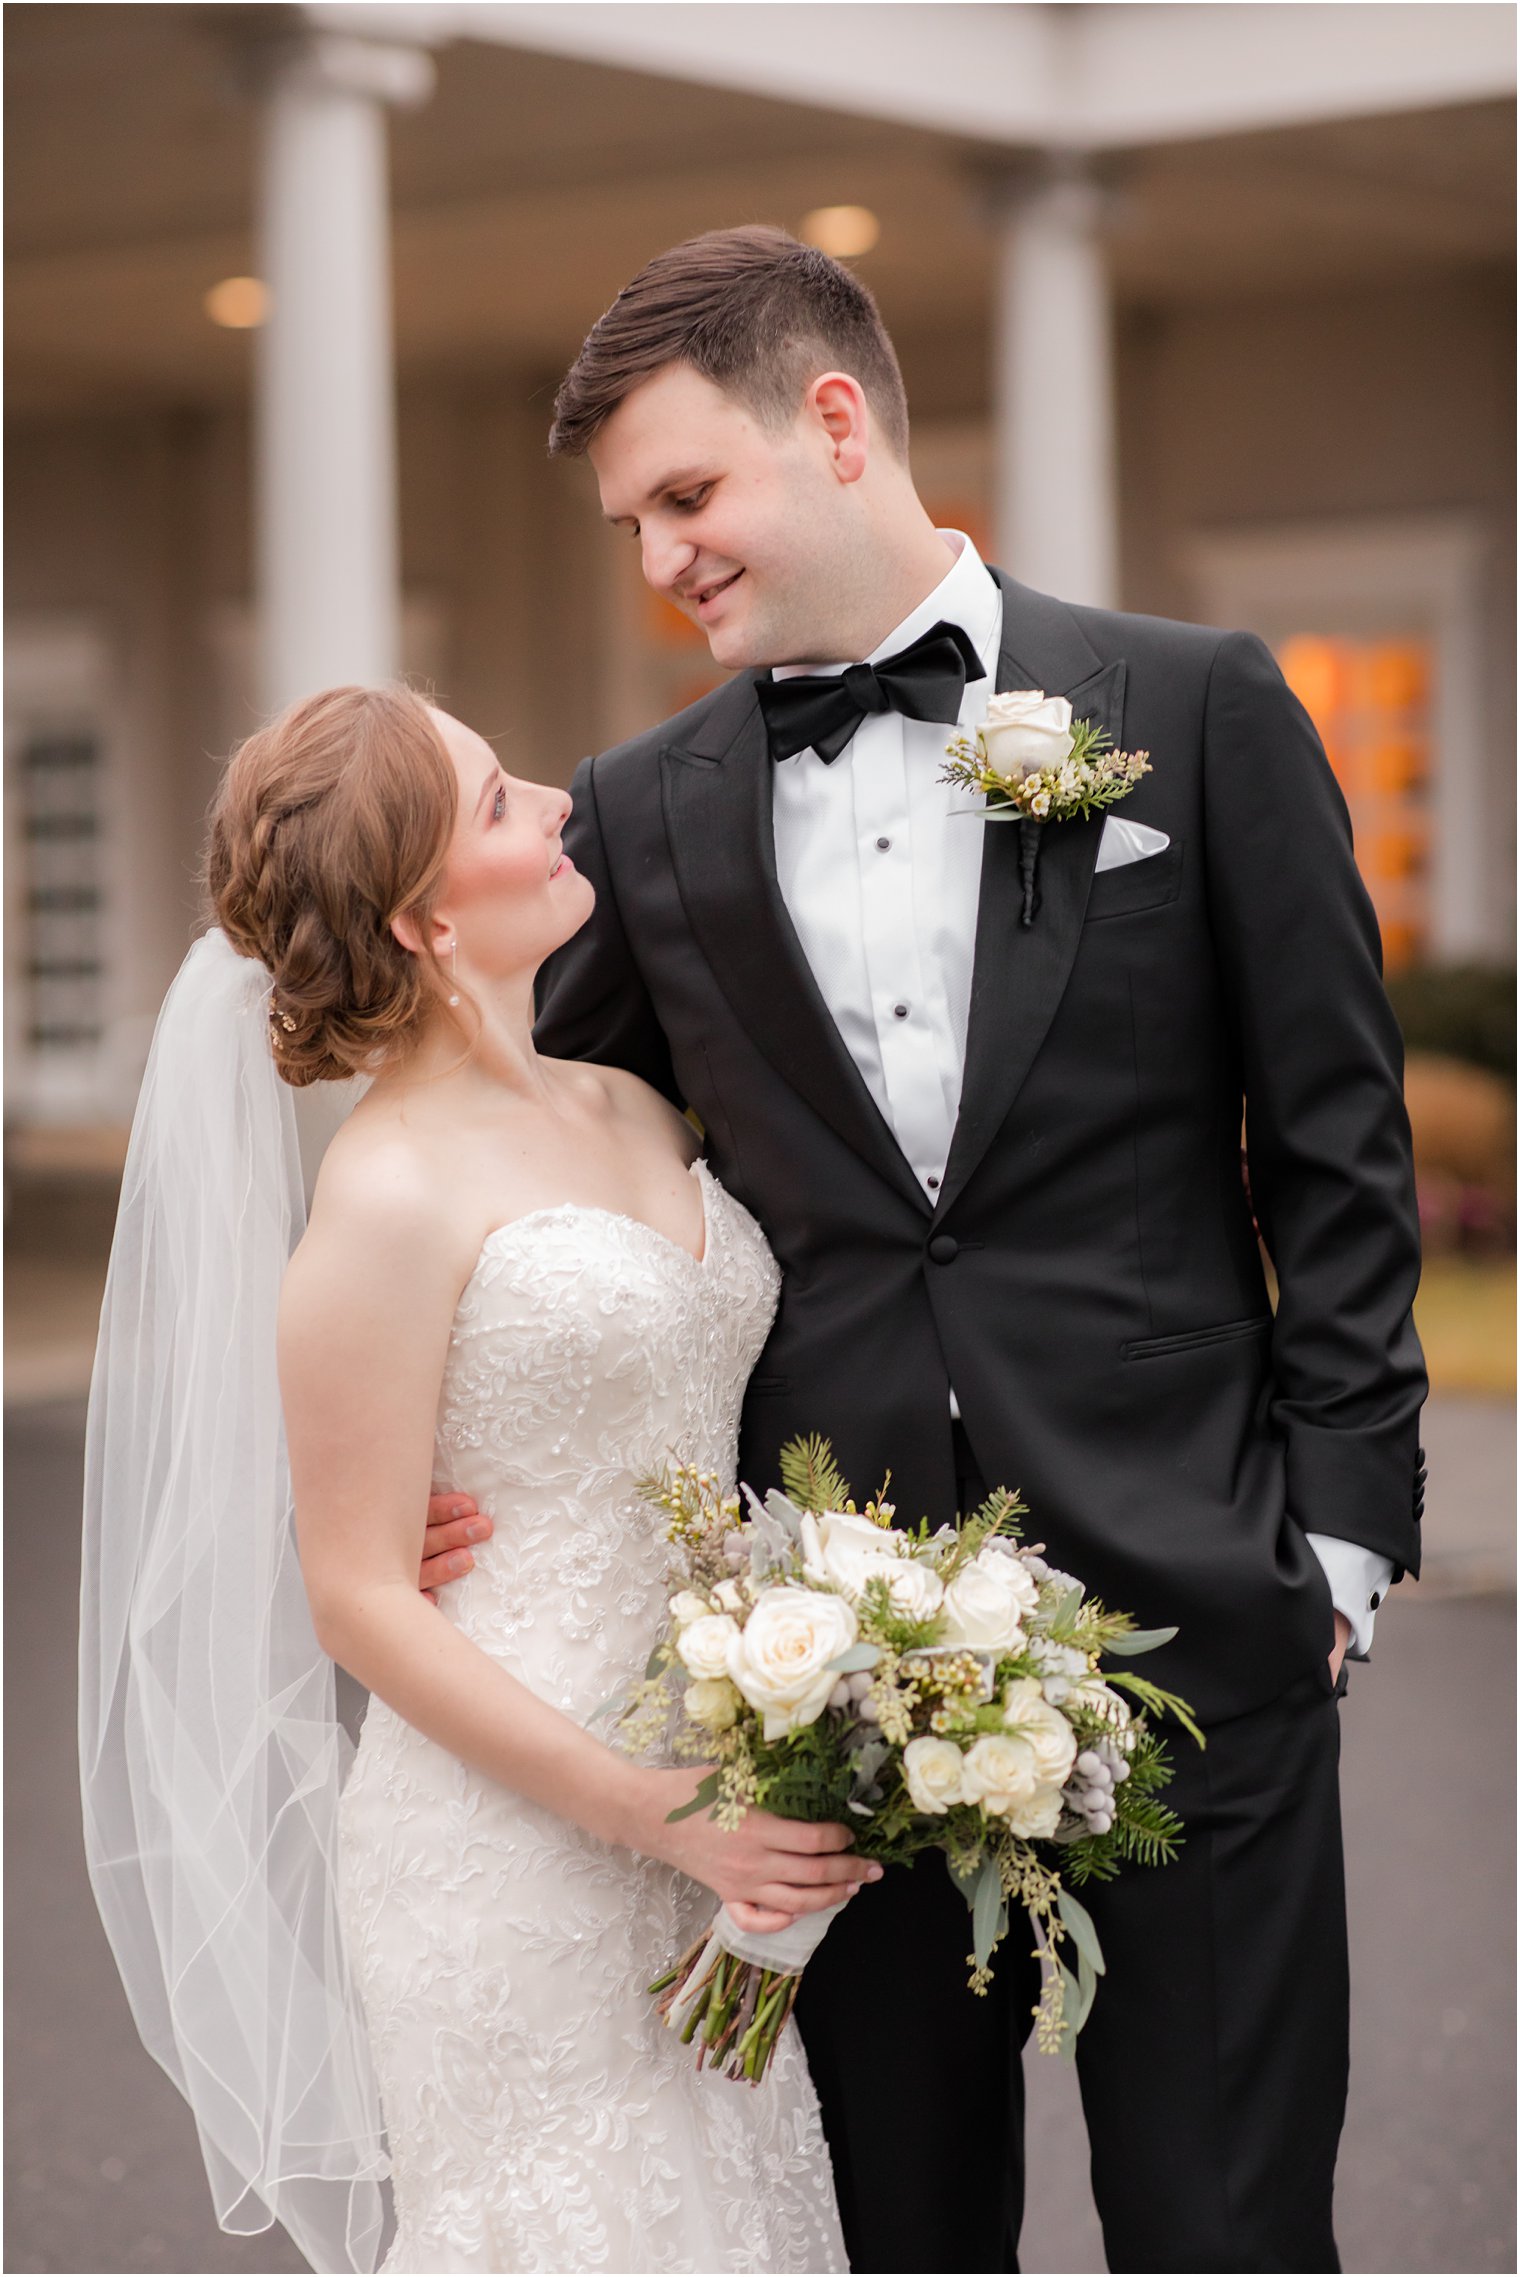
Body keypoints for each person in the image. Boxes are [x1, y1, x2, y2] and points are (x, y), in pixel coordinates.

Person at [451, 224, 1423, 2274]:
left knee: (1228, 2219)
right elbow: (548, 1168)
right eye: (630, 523)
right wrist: (471, 1453)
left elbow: (1335, 1141)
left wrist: (1333, 1538)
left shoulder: (1195, 701)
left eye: (686, 498)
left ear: (832, 422)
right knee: (903, 2229)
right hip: (825, 1671)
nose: (660, 562)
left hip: (1203, 1611)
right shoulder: (639, 815)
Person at [80, 684, 851, 2274]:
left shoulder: (631, 1096)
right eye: (501, 800)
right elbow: (357, 1594)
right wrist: (661, 1816)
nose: (561, 805)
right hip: (522, 1852)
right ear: (426, 917)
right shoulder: (383, 1195)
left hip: (722, 1780)